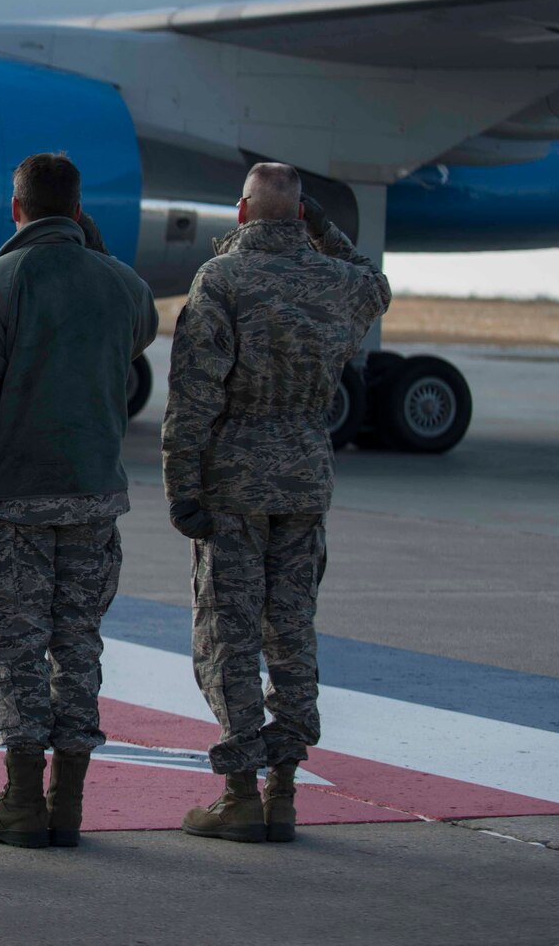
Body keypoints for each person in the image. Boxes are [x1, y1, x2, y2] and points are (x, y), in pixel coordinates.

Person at [0, 154, 157, 849]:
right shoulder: (122, 284)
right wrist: (97, 248)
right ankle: (69, 800)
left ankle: (23, 797)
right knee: (78, 644)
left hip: (18, 499)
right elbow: (142, 326)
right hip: (94, 496)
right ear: (79, 209)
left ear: (15, 208)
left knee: (15, 648)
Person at [162, 162, 391, 844]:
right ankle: (283, 787)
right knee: (290, 629)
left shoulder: (222, 281)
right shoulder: (336, 281)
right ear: (299, 219)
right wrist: (323, 230)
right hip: (304, 477)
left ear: (240, 215)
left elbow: (193, 397)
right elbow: (376, 284)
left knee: (228, 633)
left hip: (235, 480)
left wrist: (182, 487)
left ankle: (238, 791)